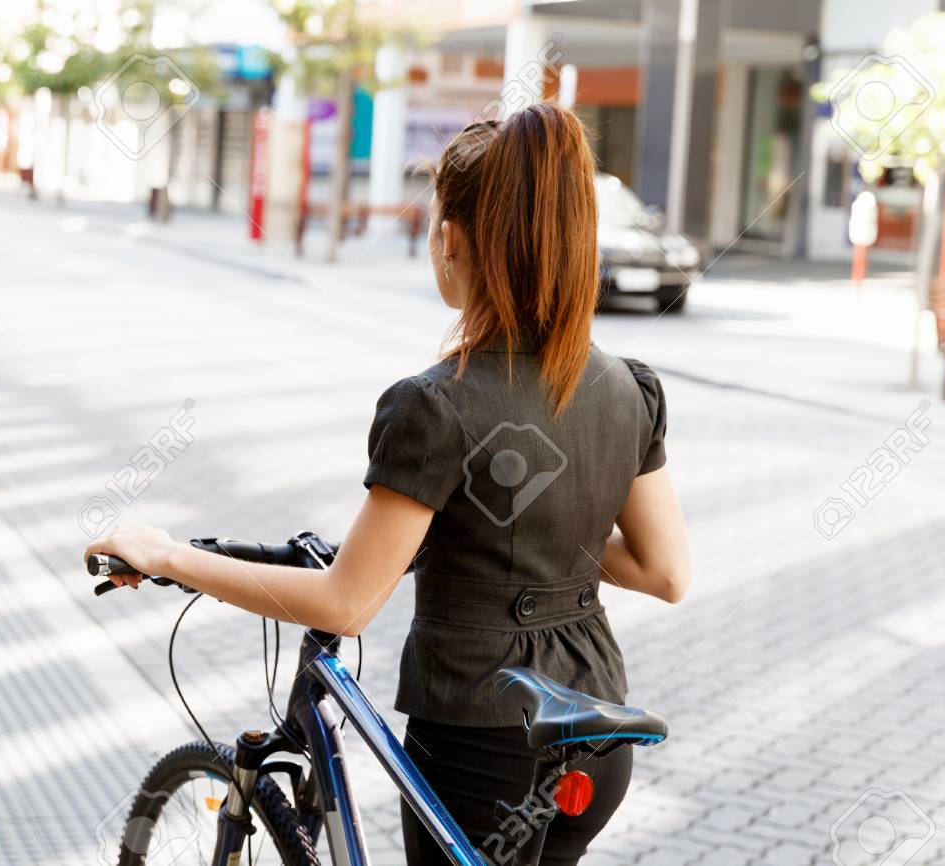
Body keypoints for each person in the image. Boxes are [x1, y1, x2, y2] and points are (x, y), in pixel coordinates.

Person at [85, 102, 691, 866]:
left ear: (451, 239)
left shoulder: (435, 405)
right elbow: (665, 572)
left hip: (486, 738)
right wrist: (521, 526)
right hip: (598, 729)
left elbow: (345, 602)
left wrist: (169, 555)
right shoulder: (629, 388)